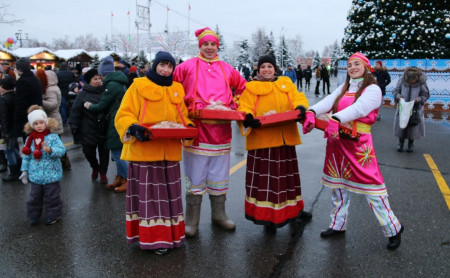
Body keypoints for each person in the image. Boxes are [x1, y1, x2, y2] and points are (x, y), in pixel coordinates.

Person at [302, 52, 404, 250]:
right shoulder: (345, 87)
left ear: (366, 67)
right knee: (338, 186)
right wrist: (312, 111)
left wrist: (336, 118)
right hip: (337, 142)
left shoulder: (373, 89)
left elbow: (361, 108)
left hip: (359, 146)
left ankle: (393, 228)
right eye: (350, 65)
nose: (353, 68)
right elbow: (328, 100)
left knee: (372, 189)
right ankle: (337, 224)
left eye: (357, 64)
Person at [115, 51, 193, 255]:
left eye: (169, 66)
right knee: (150, 197)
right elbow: (124, 113)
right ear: (155, 65)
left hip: (169, 151)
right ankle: (154, 239)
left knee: (169, 196)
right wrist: (133, 127)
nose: (166, 70)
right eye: (162, 65)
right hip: (145, 152)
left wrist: (189, 127)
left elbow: (182, 115)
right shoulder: (139, 85)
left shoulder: (177, 88)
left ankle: (171, 236)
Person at [173, 27, 247, 237]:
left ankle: (219, 215)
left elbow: (244, 88)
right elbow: (173, 91)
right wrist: (184, 111)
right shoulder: (186, 66)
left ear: (217, 46)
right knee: (196, 176)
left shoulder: (227, 68)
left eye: (213, 44)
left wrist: (235, 108)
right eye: (205, 44)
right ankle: (192, 220)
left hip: (221, 132)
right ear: (200, 46)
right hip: (197, 132)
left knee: (219, 175)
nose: (209, 47)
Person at [237, 55, 311, 232]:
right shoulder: (251, 88)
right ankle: (267, 217)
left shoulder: (286, 83)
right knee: (265, 183)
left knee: (288, 180)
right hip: (262, 143)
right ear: (258, 70)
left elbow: (298, 98)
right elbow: (243, 106)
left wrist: (301, 108)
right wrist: (247, 117)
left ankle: (295, 211)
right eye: (263, 67)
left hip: (284, 141)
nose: (266, 70)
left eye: (270, 66)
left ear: (275, 68)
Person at [84, 56, 128, 192]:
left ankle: (129, 180)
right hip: (118, 119)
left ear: (103, 74)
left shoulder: (111, 85)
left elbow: (102, 105)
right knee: (118, 153)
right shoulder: (118, 83)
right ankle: (121, 177)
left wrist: (89, 106)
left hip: (115, 122)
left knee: (117, 154)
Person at [20, 105, 66, 225]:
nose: (39, 125)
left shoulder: (53, 137)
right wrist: (24, 171)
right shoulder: (29, 139)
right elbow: (27, 156)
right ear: (31, 125)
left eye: (41, 122)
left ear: (46, 122)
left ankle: (54, 215)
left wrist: (50, 150)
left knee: (52, 198)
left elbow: (61, 151)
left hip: (52, 175)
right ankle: (33, 215)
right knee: (34, 198)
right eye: (35, 123)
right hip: (36, 175)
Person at [69, 69, 109, 184]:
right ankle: (95, 167)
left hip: (103, 128)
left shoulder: (105, 92)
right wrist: (74, 126)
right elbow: (75, 111)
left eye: (99, 78)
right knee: (88, 152)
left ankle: (103, 173)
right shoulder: (83, 94)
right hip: (87, 128)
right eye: (95, 79)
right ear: (89, 81)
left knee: (104, 153)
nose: (98, 81)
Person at [35, 69, 71, 170]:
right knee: (56, 144)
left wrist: (40, 100)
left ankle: (64, 164)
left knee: (55, 145)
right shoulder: (52, 88)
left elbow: (52, 105)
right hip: (53, 119)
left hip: (53, 120)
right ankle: (64, 164)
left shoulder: (51, 90)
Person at [392, 67, 429, 153]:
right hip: (403, 108)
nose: (411, 83)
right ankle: (400, 143)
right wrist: (398, 97)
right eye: (409, 82)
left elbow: (425, 95)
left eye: (412, 81)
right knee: (401, 124)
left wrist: (418, 99)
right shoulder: (402, 81)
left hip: (415, 108)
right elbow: (395, 91)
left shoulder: (421, 83)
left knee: (413, 126)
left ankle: (410, 144)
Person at [13, 58, 42, 143]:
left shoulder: (22, 82)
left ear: (20, 69)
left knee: (28, 143)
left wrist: (17, 118)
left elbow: (21, 103)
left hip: (26, 118)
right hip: (36, 114)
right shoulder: (35, 79)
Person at [0, 75, 22, 181]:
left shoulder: (3, 99)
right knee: (12, 148)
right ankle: (20, 166)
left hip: (6, 130)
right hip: (14, 127)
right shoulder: (15, 96)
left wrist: (4, 131)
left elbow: (3, 117)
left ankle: (14, 172)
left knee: (7, 150)